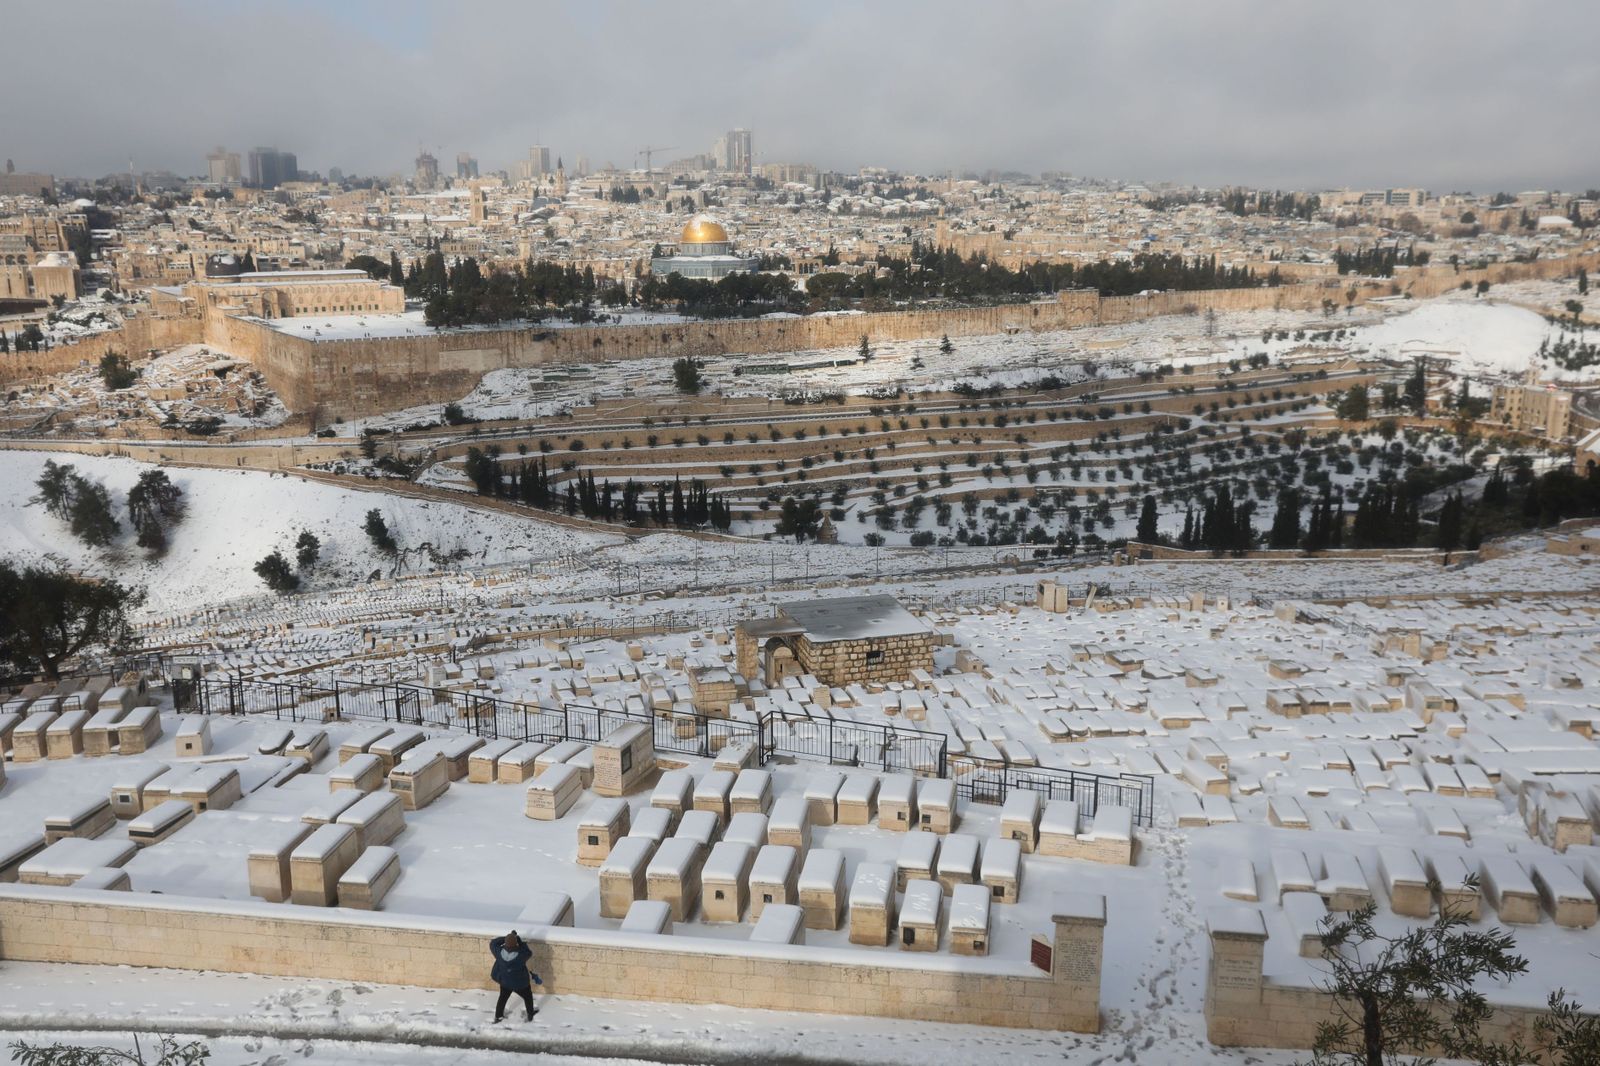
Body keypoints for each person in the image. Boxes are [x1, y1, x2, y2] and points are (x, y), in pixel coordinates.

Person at [488, 930, 542, 1022]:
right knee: (528, 996)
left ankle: (498, 1016)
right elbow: (529, 952)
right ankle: (530, 1014)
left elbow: (493, 943)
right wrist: (520, 942)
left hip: (505, 981)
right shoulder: (521, 955)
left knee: (502, 998)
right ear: (516, 944)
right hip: (520, 984)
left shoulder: (498, 952)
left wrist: (506, 938)